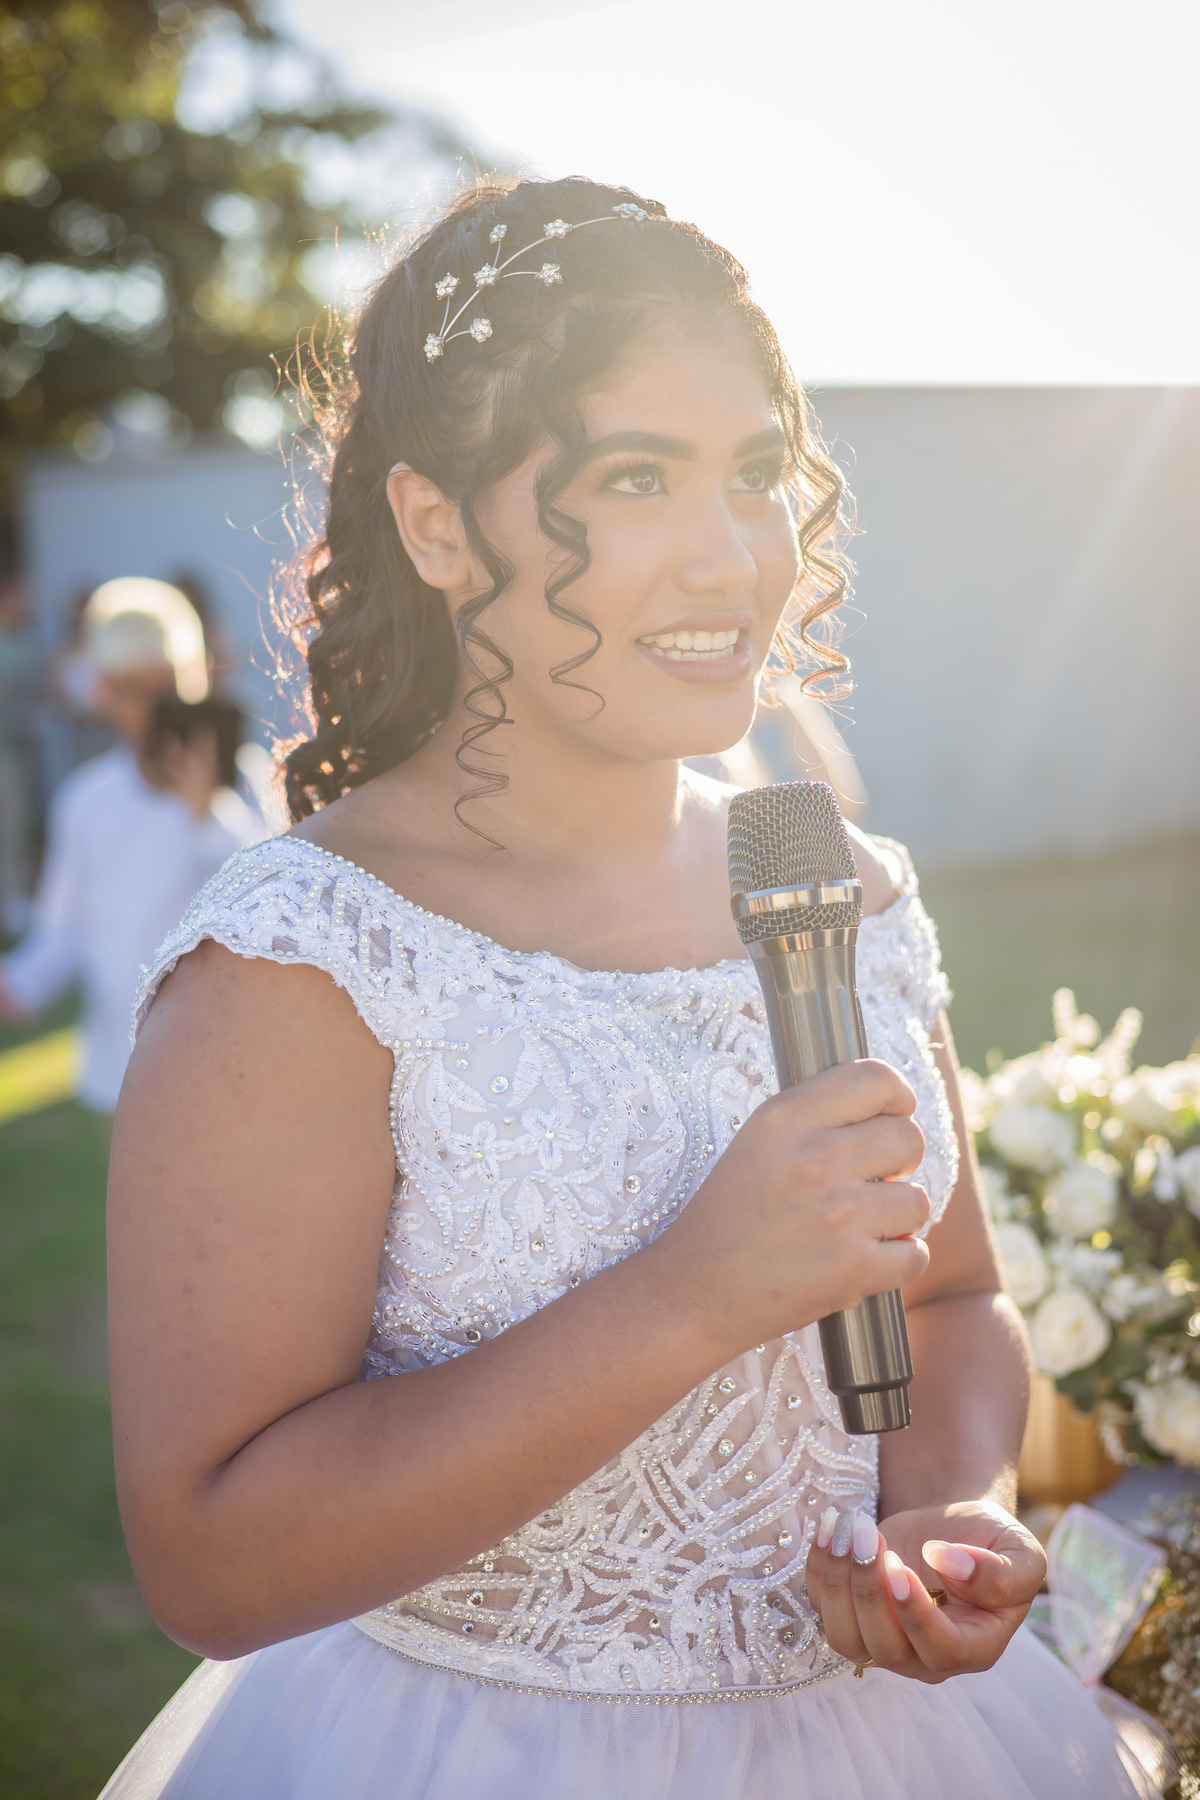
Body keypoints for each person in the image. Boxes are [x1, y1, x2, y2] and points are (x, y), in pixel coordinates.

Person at [100, 178, 1138, 1798]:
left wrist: (952, 1497)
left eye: (754, 475)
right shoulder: (304, 959)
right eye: (637, 479)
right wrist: (690, 1292)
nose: (732, 557)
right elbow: (212, 1561)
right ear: (437, 525)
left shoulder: (838, 885)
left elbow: (949, 1298)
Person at [0, 596, 260, 1111]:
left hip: (222, 1062)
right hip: (116, 1067)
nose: (152, 707)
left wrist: (206, 811)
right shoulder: (87, 799)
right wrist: (17, 985)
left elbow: (269, 904)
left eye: (166, 686)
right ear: (104, 693)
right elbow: (62, 930)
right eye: (133, 692)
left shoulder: (246, 781)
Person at [0, 554, 43, 936]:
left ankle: (14, 907)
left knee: (14, 831)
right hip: (5, 754)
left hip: (16, 753)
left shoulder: (24, 641)